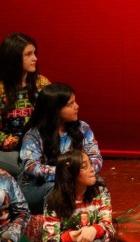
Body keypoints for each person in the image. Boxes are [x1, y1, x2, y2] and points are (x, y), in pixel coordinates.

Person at [19, 83, 102, 215]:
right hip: (37, 187)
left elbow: (96, 158)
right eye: (70, 104)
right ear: (55, 109)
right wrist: (68, 173)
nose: (77, 106)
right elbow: (31, 168)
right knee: (58, 189)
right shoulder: (34, 135)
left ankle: (91, 219)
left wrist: (80, 172)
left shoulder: (83, 128)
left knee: (98, 183)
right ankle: (58, 224)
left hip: (73, 181)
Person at [0, 33, 50, 176]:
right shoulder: (1, 89)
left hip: (40, 146)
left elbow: (54, 118)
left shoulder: (42, 83)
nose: (35, 58)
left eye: (34, 53)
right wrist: (15, 142)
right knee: (24, 167)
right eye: (28, 54)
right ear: (13, 58)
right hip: (10, 150)